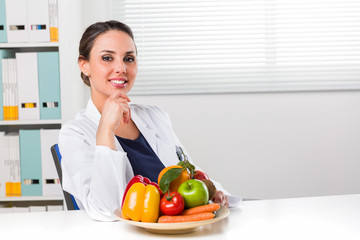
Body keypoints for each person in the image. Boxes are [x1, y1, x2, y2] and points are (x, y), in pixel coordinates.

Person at [58, 20, 241, 221]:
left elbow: (189, 173)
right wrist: (105, 131)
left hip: (179, 229)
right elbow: (105, 209)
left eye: (129, 59)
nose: (121, 68)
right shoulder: (74, 134)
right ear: (84, 66)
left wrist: (216, 192)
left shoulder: (155, 116)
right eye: (107, 58)